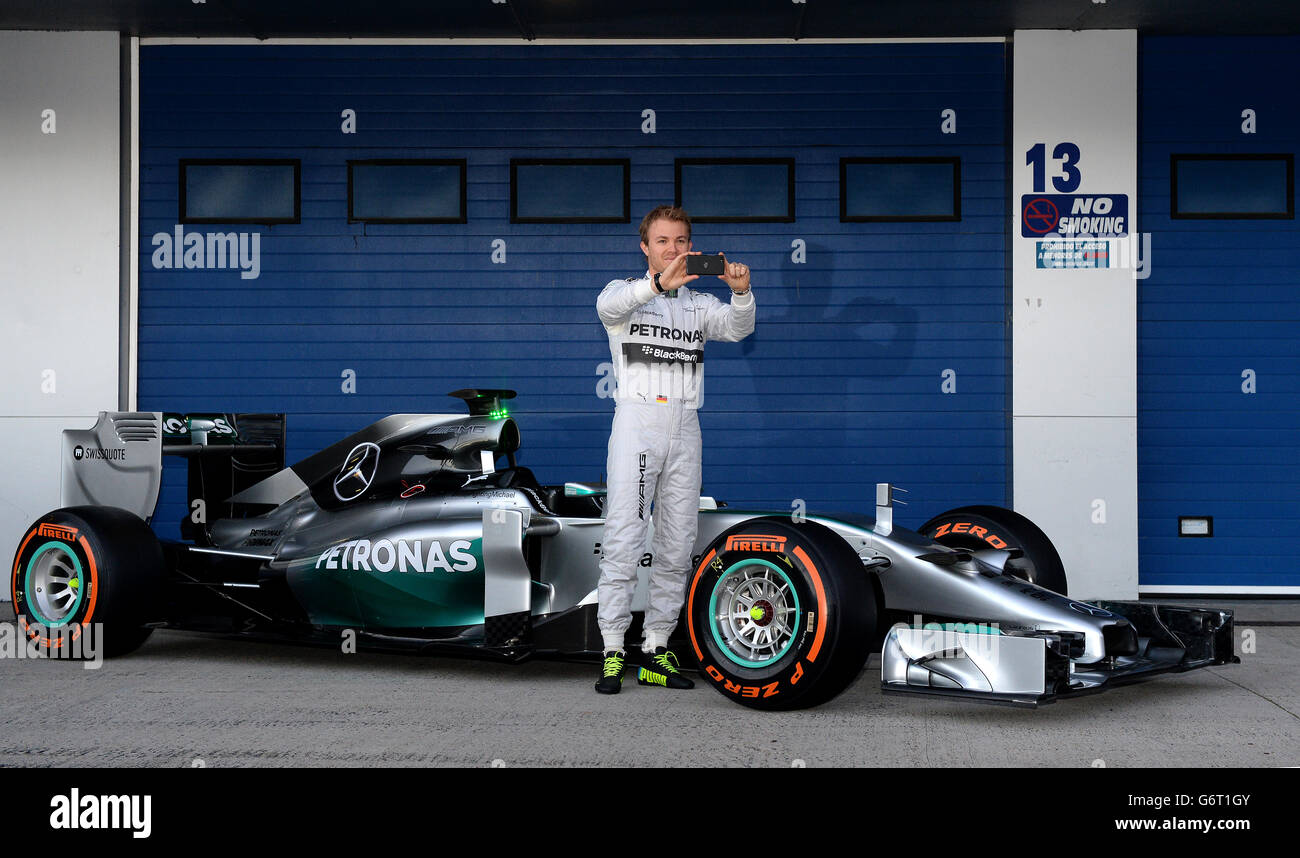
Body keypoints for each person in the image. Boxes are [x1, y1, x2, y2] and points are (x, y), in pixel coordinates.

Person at [593, 205, 755, 694]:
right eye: (663, 241)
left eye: (682, 241)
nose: (674, 249)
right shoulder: (623, 294)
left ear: (691, 246)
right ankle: (612, 650)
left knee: (678, 541)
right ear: (646, 247)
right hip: (638, 421)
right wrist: (658, 286)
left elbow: (739, 328)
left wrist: (742, 292)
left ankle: (656, 649)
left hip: (685, 424)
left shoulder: (700, 304)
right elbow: (608, 309)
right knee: (624, 533)